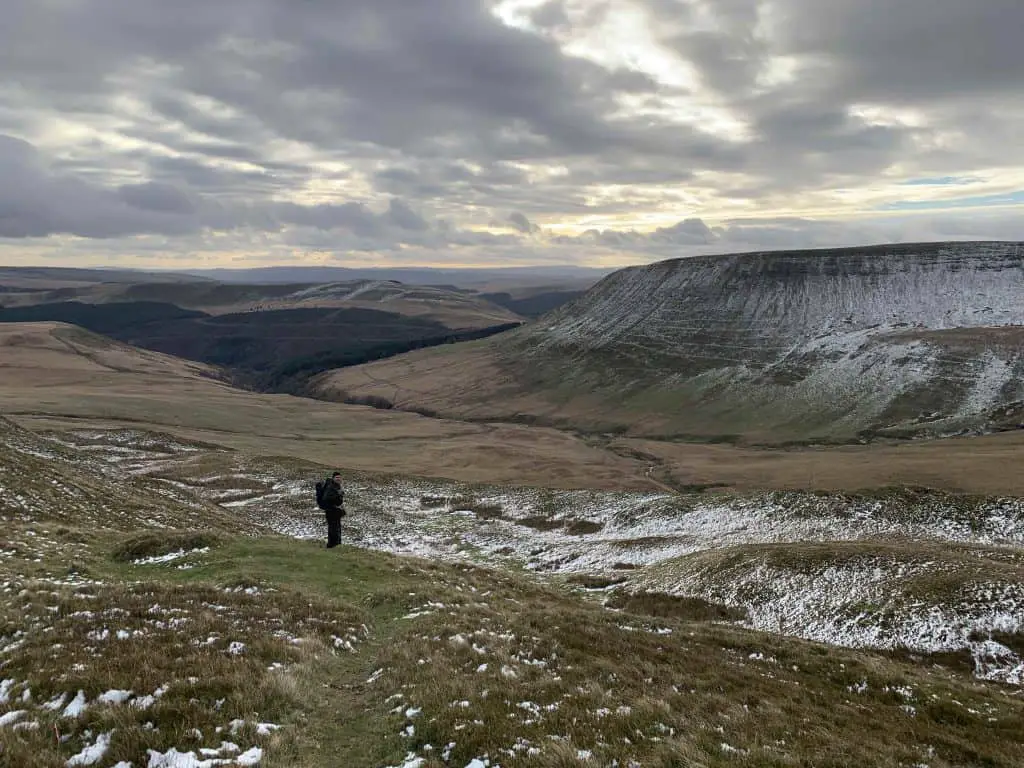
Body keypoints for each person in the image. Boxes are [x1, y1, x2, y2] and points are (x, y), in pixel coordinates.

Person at [321, 472, 346, 549]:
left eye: (339, 477)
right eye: (336, 477)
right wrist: (338, 494)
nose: (338, 479)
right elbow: (326, 498)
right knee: (333, 529)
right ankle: (331, 545)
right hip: (331, 511)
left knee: (337, 528)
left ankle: (337, 544)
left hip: (336, 511)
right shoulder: (330, 487)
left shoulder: (337, 486)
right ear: (333, 478)